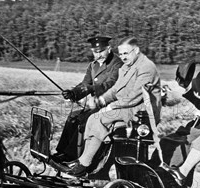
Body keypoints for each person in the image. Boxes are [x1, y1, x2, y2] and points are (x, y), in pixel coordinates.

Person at [64, 36, 161, 177]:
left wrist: (111, 107)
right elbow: (116, 89)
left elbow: (134, 97)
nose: (123, 57)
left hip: (141, 111)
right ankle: (83, 161)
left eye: (126, 53)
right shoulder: (127, 67)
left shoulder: (146, 68)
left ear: (136, 51)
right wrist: (102, 100)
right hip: (127, 107)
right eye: (121, 54)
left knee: (100, 118)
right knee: (92, 119)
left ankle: (85, 163)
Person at [51, 35, 123, 163]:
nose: (98, 55)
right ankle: (61, 152)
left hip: (111, 105)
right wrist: (73, 93)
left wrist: (91, 89)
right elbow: (85, 84)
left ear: (109, 49)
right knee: (73, 117)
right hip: (95, 105)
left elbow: (110, 84)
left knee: (84, 120)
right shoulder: (93, 66)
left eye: (101, 51)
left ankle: (73, 156)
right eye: (96, 52)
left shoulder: (117, 64)